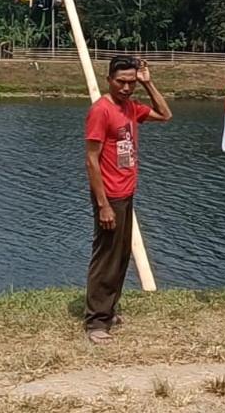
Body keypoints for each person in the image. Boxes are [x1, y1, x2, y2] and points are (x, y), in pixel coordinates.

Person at [84, 55, 173, 345]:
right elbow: (91, 160)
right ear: (109, 80)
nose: (126, 87)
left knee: (121, 255)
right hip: (110, 195)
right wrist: (103, 205)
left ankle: (108, 311)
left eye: (131, 82)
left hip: (126, 191)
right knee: (106, 257)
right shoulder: (102, 111)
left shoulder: (131, 108)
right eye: (121, 81)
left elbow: (165, 114)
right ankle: (96, 321)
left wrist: (149, 84)